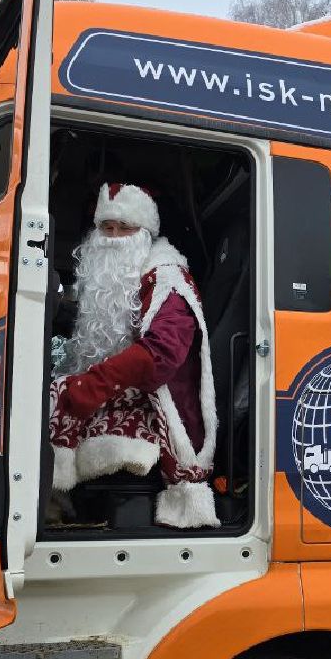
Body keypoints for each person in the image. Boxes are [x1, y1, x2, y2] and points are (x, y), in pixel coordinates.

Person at [49, 182, 219, 529]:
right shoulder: (113, 281)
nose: (113, 237)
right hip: (120, 392)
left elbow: (162, 353)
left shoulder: (168, 278)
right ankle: (55, 503)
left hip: (156, 404)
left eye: (124, 228)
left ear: (146, 232)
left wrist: (94, 383)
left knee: (58, 396)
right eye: (106, 228)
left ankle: (54, 499)